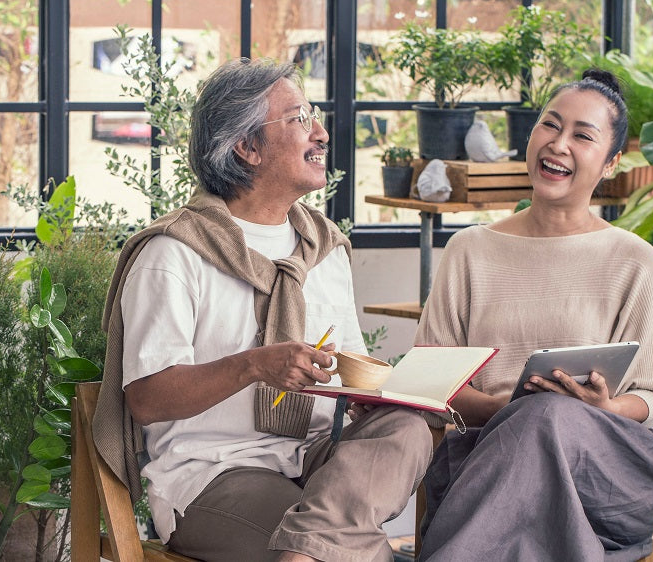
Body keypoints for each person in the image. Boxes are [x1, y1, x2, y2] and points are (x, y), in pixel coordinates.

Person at [93, 58, 433, 562]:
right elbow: (146, 398)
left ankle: (308, 550)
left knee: (406, 429)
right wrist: (254, 365)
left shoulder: (326, 249)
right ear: (247, 147)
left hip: (317, 461)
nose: (320, 134)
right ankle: (317, 548)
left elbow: (354, 376)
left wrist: (394, 392)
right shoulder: (174, 253)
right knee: (358, 550)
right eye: (299, 119)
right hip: (212, 474)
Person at [415, 69, 653, 562]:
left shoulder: (634, 261)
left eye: (582, 136)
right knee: (542, 414)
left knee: (550, 414)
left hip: (603, 476)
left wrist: (601, 410)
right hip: (485, 460)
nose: (558, 145)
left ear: (611, 162)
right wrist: (512, 413)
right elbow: (432, 380)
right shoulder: (469, 251)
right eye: (549, 125)